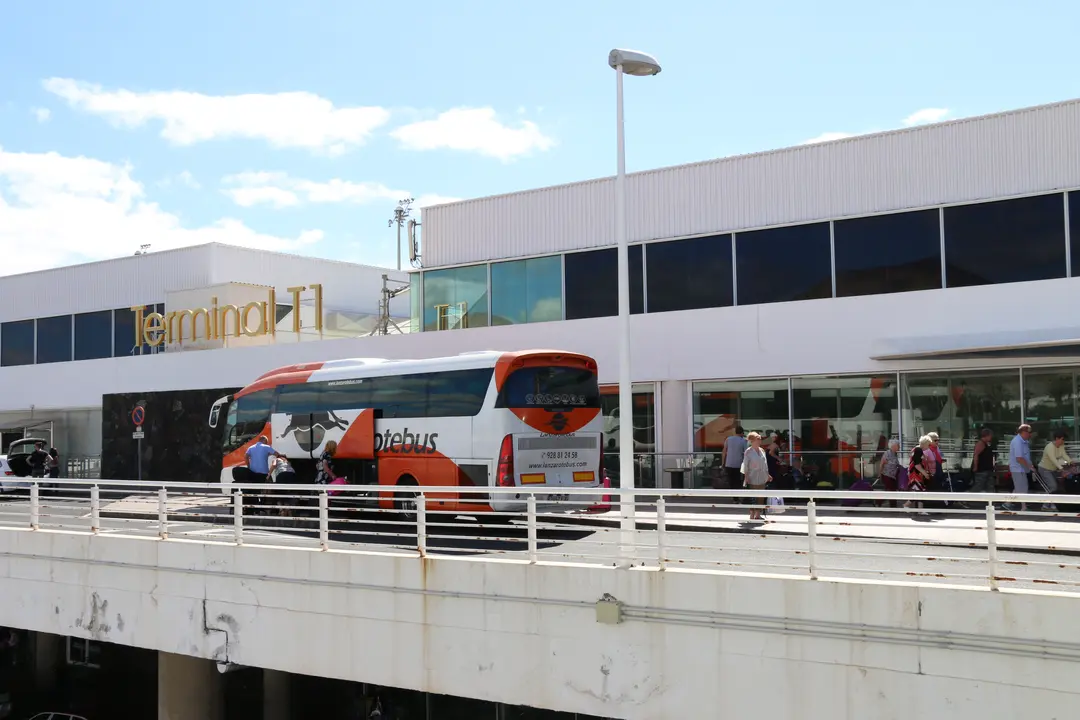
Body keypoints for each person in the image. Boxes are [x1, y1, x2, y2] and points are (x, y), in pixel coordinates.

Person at [1036, 429, 1071, 512]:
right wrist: (1062, 469)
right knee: (1053, 486)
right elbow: (1053, 460)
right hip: (1044, 469)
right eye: (1062, 439)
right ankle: (1050, 505)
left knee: (1054, 487)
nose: (1063, 441)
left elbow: (1064, 454)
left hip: (1053, 470)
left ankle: (1047, 505)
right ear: (1057, 438)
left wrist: (1070, 461)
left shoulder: (1061, 446)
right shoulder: (1049, 447)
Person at [244, 435, 282, 511]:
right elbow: (277, 454)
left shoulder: (251, 447)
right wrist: (270, 454)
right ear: (264, 441)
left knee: (255, 490)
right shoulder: (266, 447)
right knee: (266, 490)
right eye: (266, 442)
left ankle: (254, 508)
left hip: (253, 472)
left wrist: (248, 466)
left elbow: (246, 456)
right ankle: (263, 507)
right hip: (263, 473)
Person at [741, 431, 771, 521]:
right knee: (752, 496)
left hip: (762, 476)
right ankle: (752, 513)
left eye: (760, 439)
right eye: (758, 439)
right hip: (752, 476)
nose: (759, 441)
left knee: (760, 496)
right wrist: (746, 477)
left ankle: (758, 514)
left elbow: (765, 464)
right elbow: (745, 465)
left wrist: (768, 475)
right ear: (752, 441)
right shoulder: (748, 451)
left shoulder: (762, 450)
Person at [1007, 424, 1035, 512]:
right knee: (1022, 487)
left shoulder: (1024, 441)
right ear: (1023, 432)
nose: (1030, 434)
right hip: (1017, 468)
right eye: (1029, 432)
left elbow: (1025, 456)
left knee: (1019, 487)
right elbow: (1019, 458)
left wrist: (1030, 465)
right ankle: (1024, 507)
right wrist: (1029, 466)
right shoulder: (1017, 441)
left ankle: (1007, 503)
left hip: (1021, 468)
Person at [905, 436, 931, 515]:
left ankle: (920, 510)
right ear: (925, 444)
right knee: (919, 491)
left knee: (920, 491)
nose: (929, 447)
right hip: (915, 475)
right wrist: (925, 473)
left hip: (915, 474)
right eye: (928, 445)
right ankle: (906, 505)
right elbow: (917, 464)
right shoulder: (918, 450)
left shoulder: (916, 450)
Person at [720, 426, 748, 492]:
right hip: (738, 465)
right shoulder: (743, 441)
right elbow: (746, 453)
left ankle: (734, 497)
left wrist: (722, 463)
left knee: (731, 480)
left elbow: (724, 452)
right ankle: (736, 497)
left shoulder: (728, 439)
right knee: (737, 481)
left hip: (728, 464)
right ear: (742, 433)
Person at [970, 428, 996, 495]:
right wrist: (975, 467)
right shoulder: (980, 444)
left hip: (988, 469)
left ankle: (990, 501)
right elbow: (976, 455)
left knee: (990, 486)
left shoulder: (987, 444)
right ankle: (968, 499)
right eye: (990, 436)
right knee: (978, 486)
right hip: (982, 469)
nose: (991, 437)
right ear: (986, 436)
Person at [878, 439, 901, 508]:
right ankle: (892, 505)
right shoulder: (887, 453)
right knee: (890, 490)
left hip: (893, 475)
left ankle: (880, 502)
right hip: (887, 474)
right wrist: (880, 473)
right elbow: (882, 463)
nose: (899, 447)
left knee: (890, 489)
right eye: (898, 445)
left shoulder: (895, 454)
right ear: (893, 446)